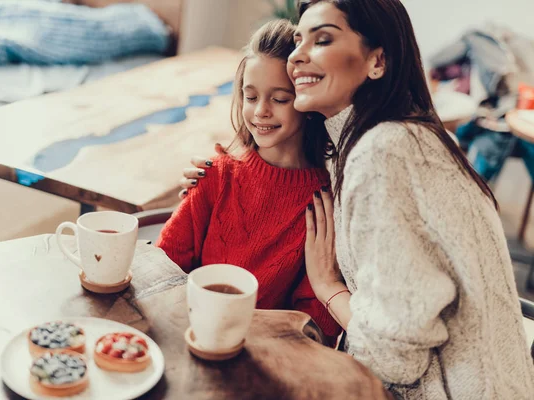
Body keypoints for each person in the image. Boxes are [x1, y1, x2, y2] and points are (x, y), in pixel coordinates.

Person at [181, 0, 534, 398]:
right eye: (299, 40)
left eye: (323, 39)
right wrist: (220, 172)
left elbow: (394, 360)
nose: (297, 56)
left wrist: (330, 287)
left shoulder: (383, 151)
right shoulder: (369, 142)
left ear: (377, 61)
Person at [156, 19, 341, 340]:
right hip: (193, 337)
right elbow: (163, 269)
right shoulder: (216, 175)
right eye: (250, 97)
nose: (260, 111)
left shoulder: (322, 200)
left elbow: (316, 323)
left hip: (268, 357)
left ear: (306, 102)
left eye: (280, 99)